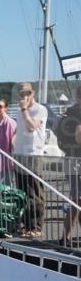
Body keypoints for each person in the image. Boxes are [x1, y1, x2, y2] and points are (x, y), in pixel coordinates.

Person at [13, 82, 48, 238]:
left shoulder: (39, 109)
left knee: (34, 191)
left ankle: (36, 226)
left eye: (27, 93)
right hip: (20, 154)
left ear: (33, 93)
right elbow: (18, 131)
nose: (25, 96)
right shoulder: (20, 111)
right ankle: (26, 224)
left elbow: (32, 126)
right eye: (22, 94)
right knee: (22, 192)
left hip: (33, 154)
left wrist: (24, 109)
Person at [60, 84, 81, 245]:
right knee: (77, 200)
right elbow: (79, 135)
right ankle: (65, 237)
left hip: (69, 158)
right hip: (76, 160)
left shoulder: (69, 112)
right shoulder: (77, 112)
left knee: (77, 199)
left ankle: (66, 236)